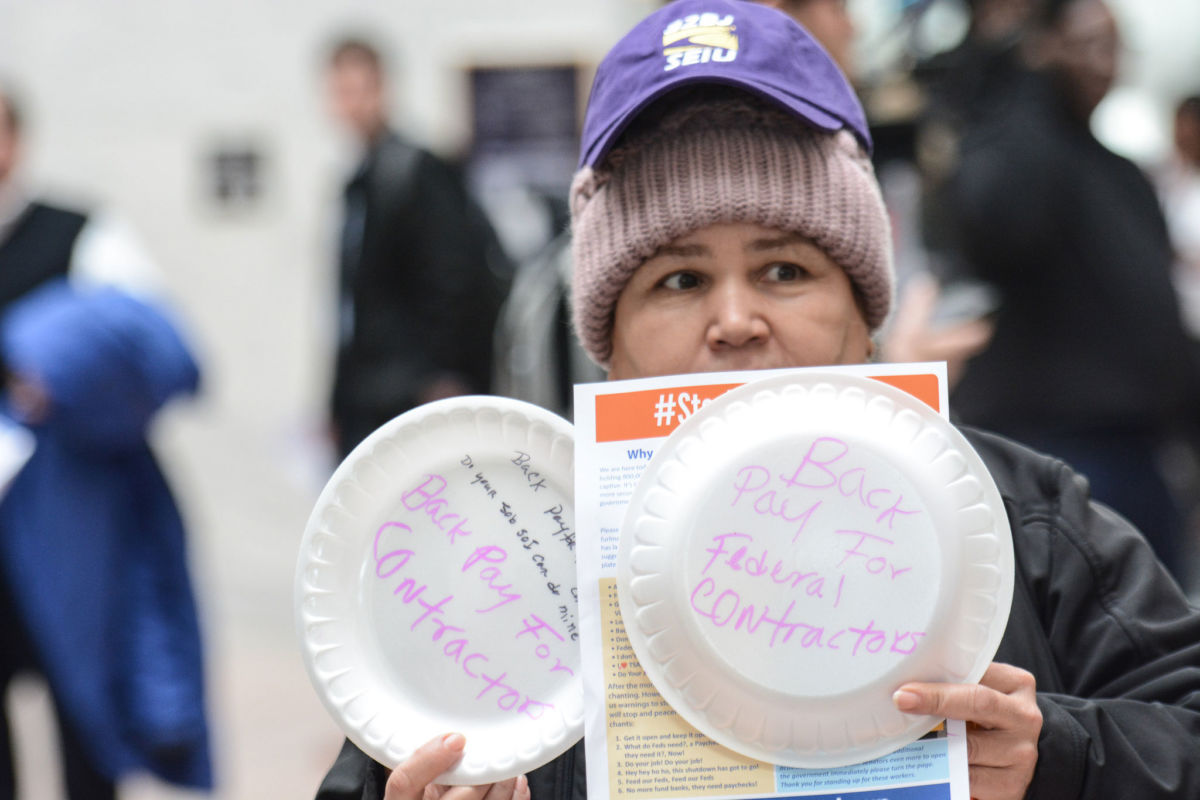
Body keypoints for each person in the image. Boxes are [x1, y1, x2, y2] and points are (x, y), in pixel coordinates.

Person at [314, 2, 1200, 798]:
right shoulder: (511, 564)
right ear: (608, 345)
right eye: (677, 278)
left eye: (786, 269)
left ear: (865, 316)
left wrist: (1067, 757)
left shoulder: (1025, 521)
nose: (735, 320)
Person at [935, 0, 1200, 583]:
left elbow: (1159, 316)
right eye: (1088, 44)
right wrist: (1030, 82)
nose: (1105, 64)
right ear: (1044, 48)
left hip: (1142, 454)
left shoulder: (1123, 174)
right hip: (1053, 452)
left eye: (1115, 47)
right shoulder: (1011, 152)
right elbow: (1004, 226)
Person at [0, 83, 212, 798]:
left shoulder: (78, 231)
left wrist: (54, 371)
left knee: (83, 705)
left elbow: (154, 344)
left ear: (16, 139)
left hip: (72, 519)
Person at [324, 37, 511, 458]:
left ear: (381, 89)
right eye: (340, 92)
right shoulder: (360, 181)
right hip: (367, 397)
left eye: (358, 90)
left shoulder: (416, 172)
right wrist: (335, 403)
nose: (349, 104)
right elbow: (347, 307)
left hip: (408, 395)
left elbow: (452, 281)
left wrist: (439, 375)